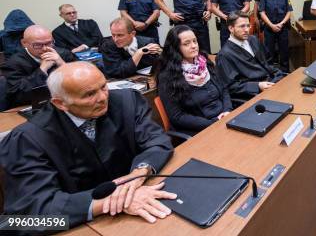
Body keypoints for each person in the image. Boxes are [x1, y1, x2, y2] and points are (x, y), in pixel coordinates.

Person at [0, 62, 175, 228]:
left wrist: (140, 172)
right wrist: (111, 203)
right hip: (83, 224)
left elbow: (157, 141)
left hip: (141, 200)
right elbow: (27, 218)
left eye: (104, 86)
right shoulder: (28, 138)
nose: (103, 98)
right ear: (60, 103)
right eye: (89, 94)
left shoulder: (127, 101)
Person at [157, 25, 232, 136]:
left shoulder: (205, 62)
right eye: (186, 44)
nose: (193, 46)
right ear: (175, 48)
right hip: (201, 129)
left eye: (194, 41)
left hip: (224, 119)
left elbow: (224, 89)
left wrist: (227, 111)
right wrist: (213, 123)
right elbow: (177, 117)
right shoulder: (167, 76)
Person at [0, 25, 76, 107]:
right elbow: (20, 95)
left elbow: (82, 83)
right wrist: (42, 70)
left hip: (66, 101)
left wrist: (62, 64)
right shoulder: (13, 64)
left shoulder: (63, 54)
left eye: (49, 43)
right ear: (24, 43)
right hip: (32, 106)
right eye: (38, 45)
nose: (45, 49)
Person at [215, 12, 284, 99]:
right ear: (231, 28)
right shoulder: (224, 55)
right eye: (242, 26)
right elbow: (230, 87)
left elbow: (268, 61)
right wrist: (258, 86)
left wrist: (276, 75)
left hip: (272, 80)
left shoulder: (253, 39)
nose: (246, 29)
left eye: (248, 25)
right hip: (254, 93)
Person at [258, 0, 293, 72]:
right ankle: (271, 73)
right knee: (269, 53)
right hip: (269, 28)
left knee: (284, 52)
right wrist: (271, 25)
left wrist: (281, 24)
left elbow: (289, 11)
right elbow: (262, 12)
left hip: (283, 28)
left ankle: (285, 72)